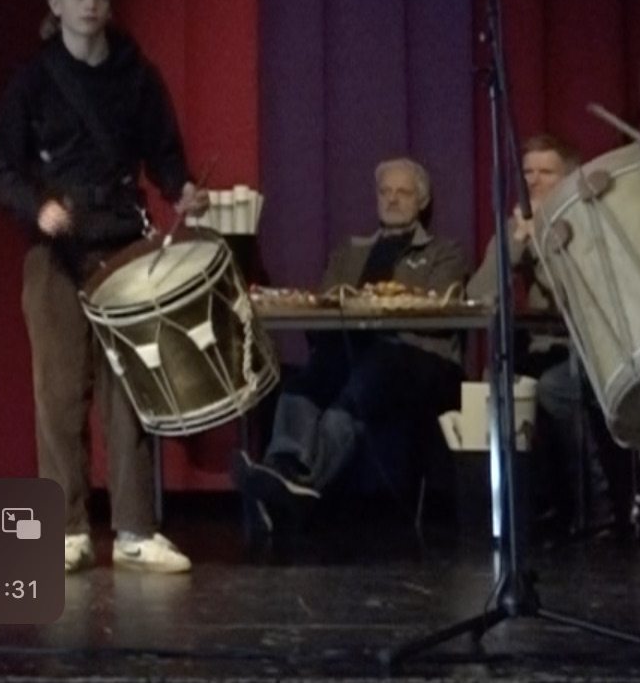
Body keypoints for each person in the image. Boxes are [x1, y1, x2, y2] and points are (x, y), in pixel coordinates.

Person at [0, 0, 206, 574]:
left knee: (131, 390)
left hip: (124, 246)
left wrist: (182, 188)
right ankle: (65, 531)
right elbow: (0, 169)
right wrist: (39, 207)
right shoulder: (33, 81)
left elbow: (165, 153)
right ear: (55, 6)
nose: (90, 4)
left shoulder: (137, 76)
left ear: (109, 7)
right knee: (58, 392)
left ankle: (135, 530)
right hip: (56, 253)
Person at [237, 158, 468, 528]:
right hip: (350, 351)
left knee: (363, 383)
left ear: (422, 201)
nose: (392, 199)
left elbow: (438, 311)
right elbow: (326, 305)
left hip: (413, 358)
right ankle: (283, 466)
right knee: (305, 380)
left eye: (403, 192)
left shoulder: (444, 252)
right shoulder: (350, 251)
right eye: (385, 192)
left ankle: (302, 481)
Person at [463, 134, 613, 534]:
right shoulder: (515, 228)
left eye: (546, 172)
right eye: (527, 172)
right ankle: (525, 505)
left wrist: (544, 244)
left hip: (590, 347)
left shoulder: (590, 225)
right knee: (497, 383)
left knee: (554, 386)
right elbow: (478, 295)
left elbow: (576, 296)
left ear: (569, 178)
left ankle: (594, 506)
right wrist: (516, 242)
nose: (534, 180)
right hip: (541, 345)